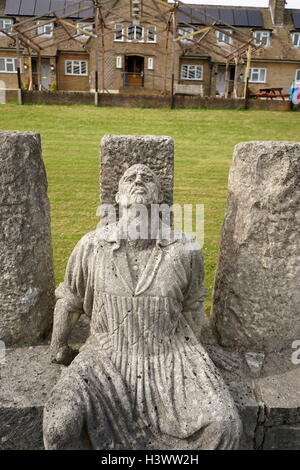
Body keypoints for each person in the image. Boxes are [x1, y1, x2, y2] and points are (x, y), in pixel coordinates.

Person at [43, 164, 242, 450]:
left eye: (147, 178)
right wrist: (58, 349)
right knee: (58, 426)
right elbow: (70, 301)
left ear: (159, 196)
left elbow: (192, 309)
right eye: (130, 177)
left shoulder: (185, 249)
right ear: (118, 196)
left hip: (170, 357)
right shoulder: (91, 246)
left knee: (224, 425)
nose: (138, 179)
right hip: (104, 358)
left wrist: (198, 359)